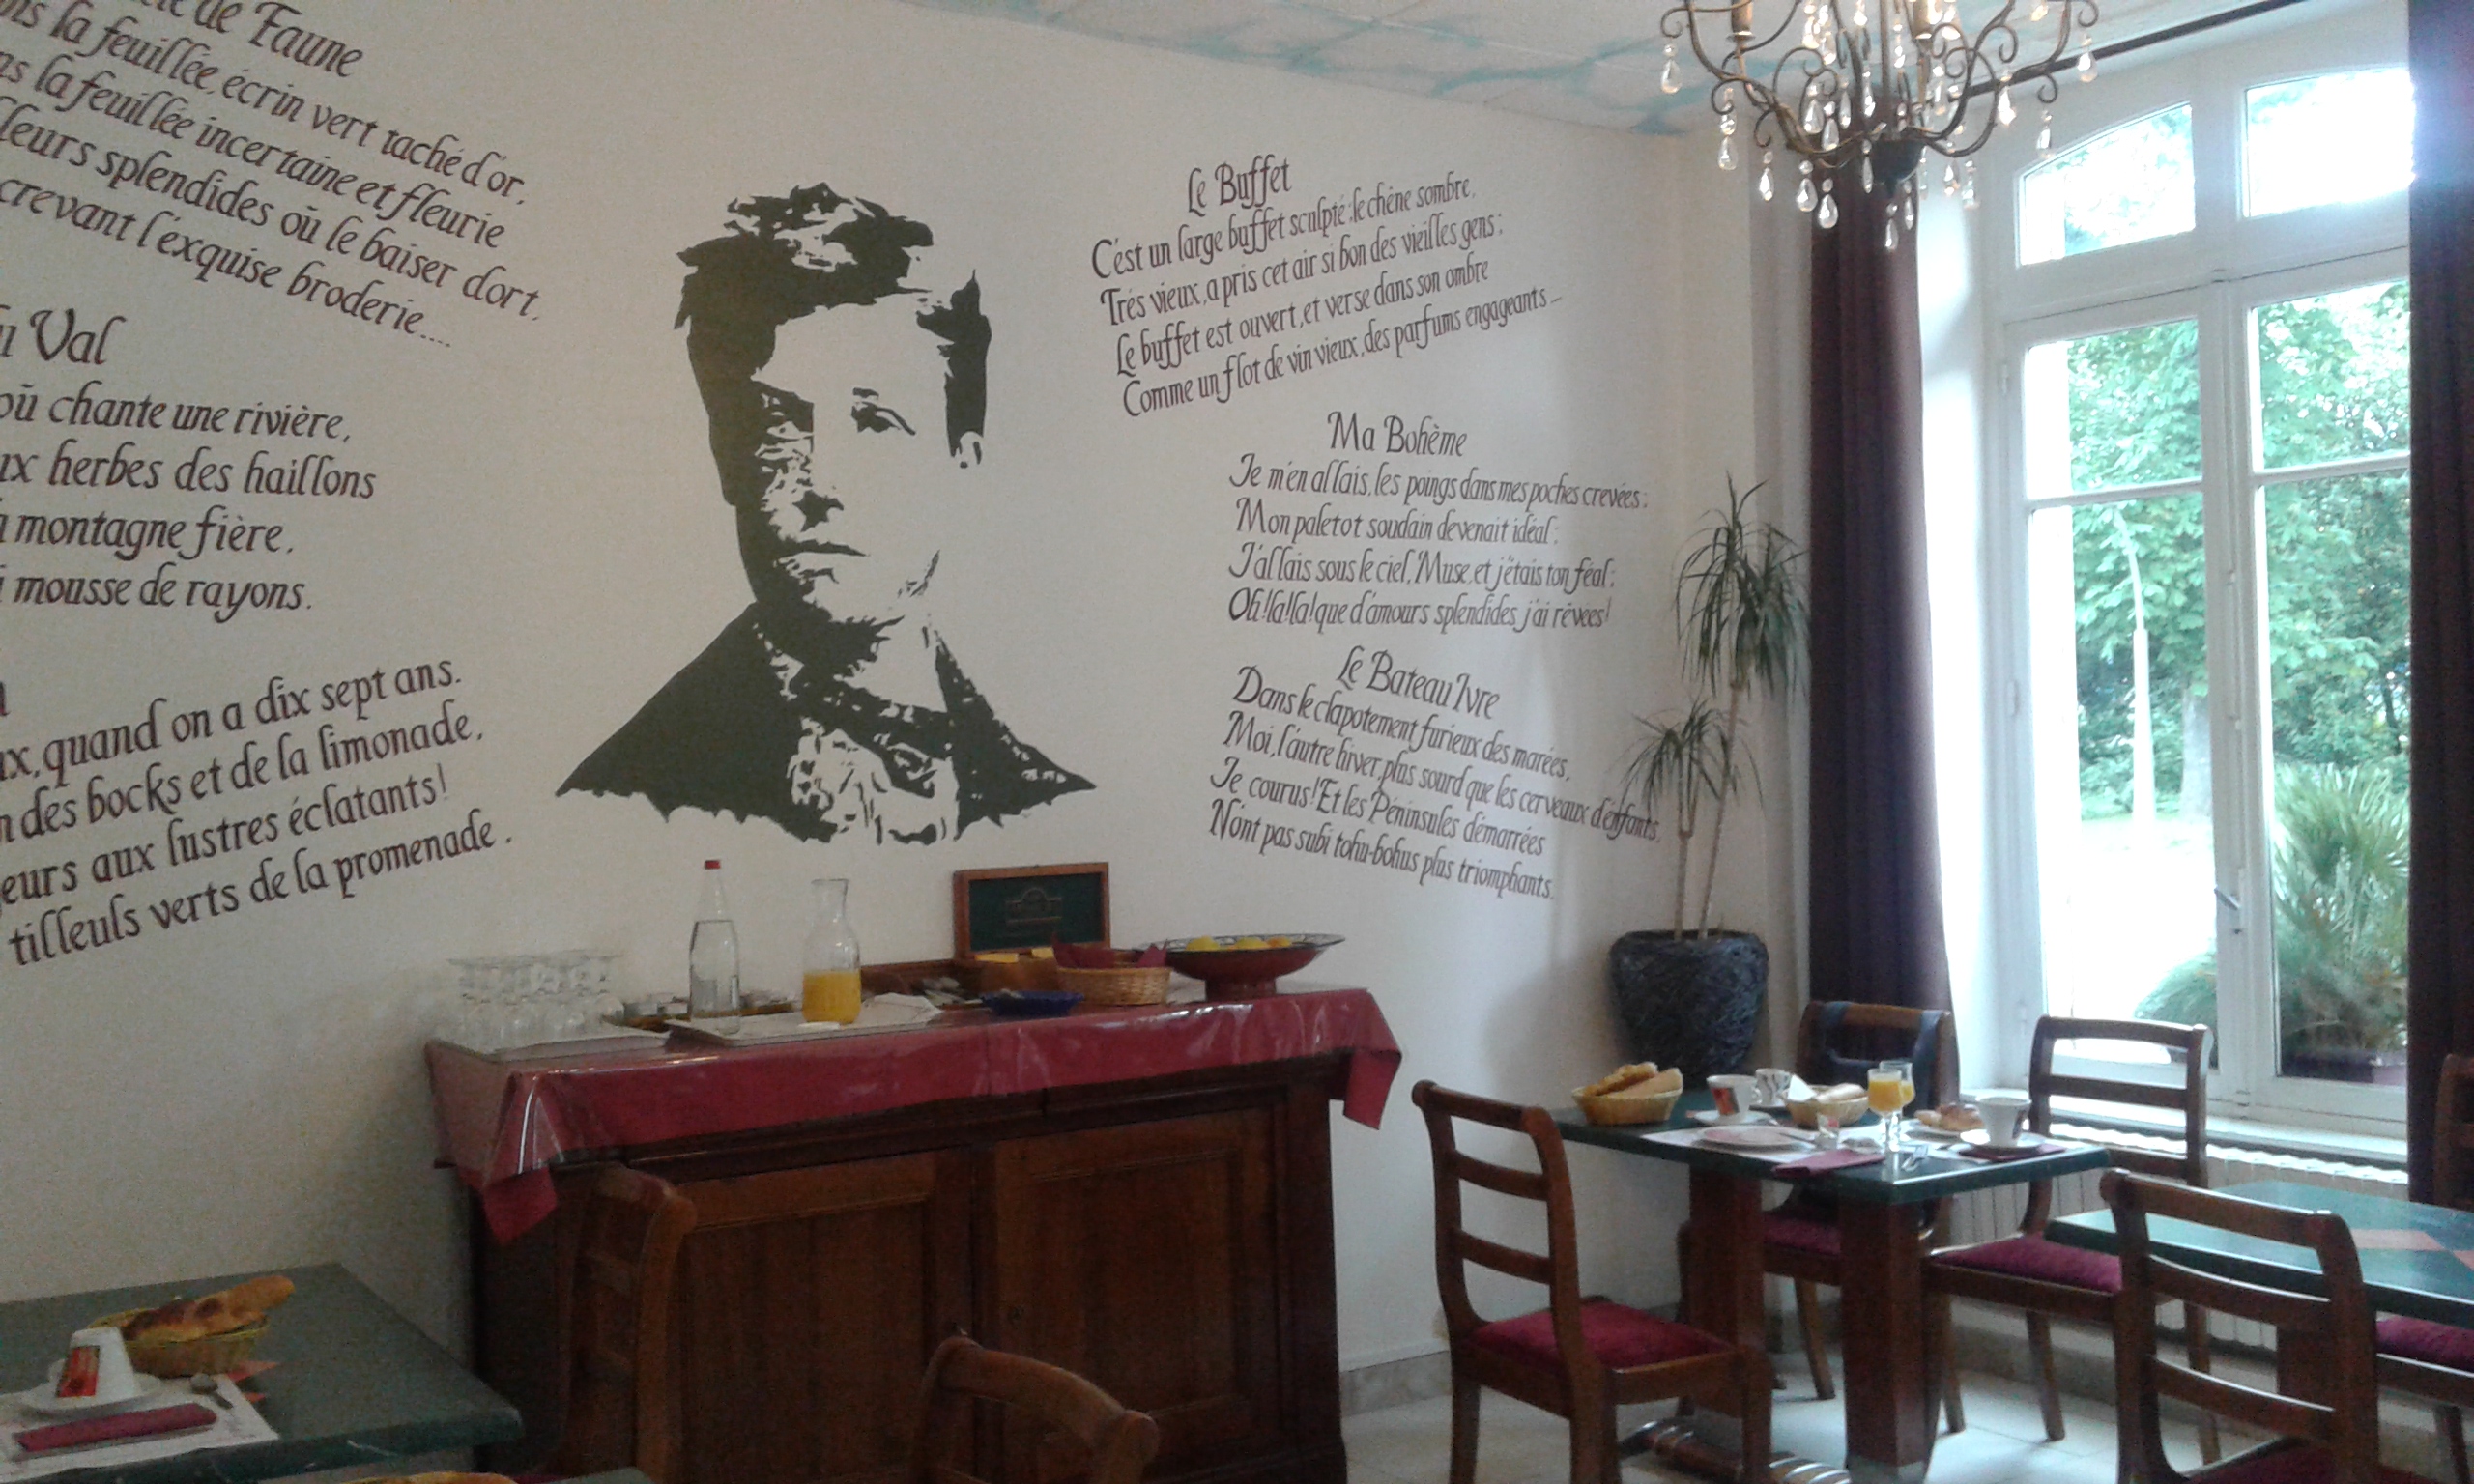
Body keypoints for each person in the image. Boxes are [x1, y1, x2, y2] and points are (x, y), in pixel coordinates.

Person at [561, 181, 1090, 845]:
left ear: (961, 457)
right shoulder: (627, 794)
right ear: (727, 459)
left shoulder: (1046, 801)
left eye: (876, 423)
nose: (824, 486)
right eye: (780, 426)